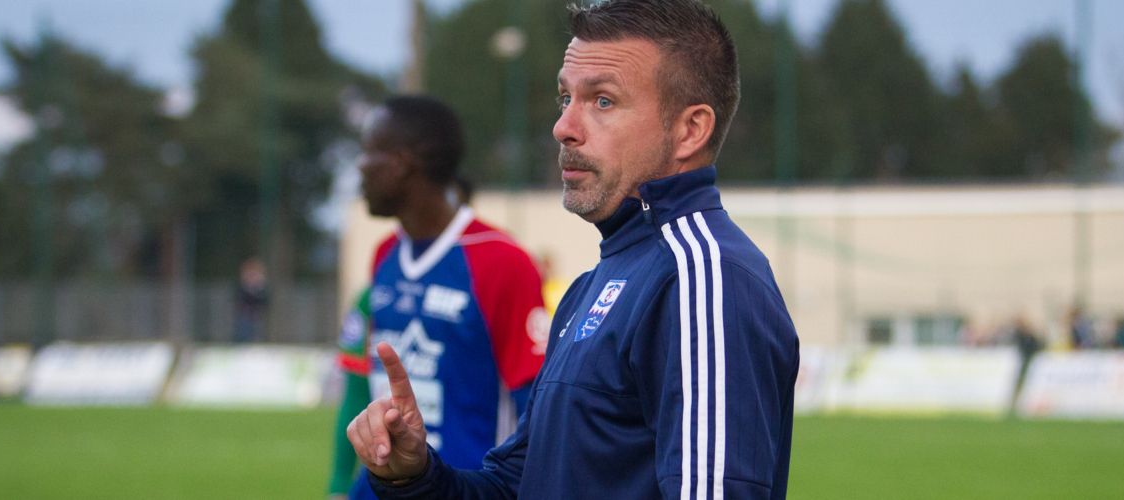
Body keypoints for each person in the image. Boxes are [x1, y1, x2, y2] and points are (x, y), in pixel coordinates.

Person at [346, 1, 800, 498]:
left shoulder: (704, 279)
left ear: (690, 130)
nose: (564, 126)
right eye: (566, 98)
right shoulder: (593, 286)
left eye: (602, 101)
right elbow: (516, 486)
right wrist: (416, 477)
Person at [326, 96, 549, 499]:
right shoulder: (384, 255)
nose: (359, 168)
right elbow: (362, 388)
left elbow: (536, 406)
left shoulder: (502, 261)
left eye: (369, 154)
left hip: (466, 489)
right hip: (385, 489)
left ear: (401, 162)